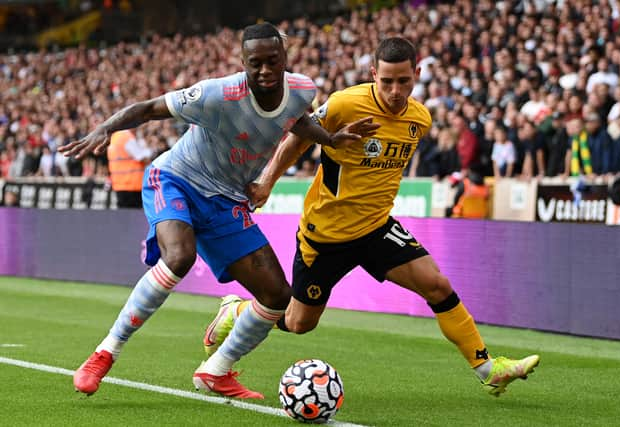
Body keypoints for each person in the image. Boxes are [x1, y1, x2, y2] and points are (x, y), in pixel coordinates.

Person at [204, 37, 539, 398]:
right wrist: (267, 182)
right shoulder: (345, 104)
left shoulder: (419, 118)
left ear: (418, 75)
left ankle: (489, 369)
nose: (396, 91)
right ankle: (238, 311)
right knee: (299, 323)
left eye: (404, 82)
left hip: (377, 229)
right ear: (373, 74)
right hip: (326, 236)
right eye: (387, 82)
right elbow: (297, 140)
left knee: (437, 285)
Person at [59, 22, 378, 399]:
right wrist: (105, 128)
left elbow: (296, 120)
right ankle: (105, 352)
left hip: (227, 200)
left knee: (277, 296)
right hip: (176, 179)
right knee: (179, 256)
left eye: (271, 61)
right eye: (254, 63)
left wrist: (329, 138)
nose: (263, 71)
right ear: (241, 62)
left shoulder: (302, 89)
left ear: (285, 58)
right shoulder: (217, 94)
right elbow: (148, 108)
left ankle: (216, 370)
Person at [107, 129, 153, 208]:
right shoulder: (127, 137)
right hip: (133, 186)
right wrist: (150, 151)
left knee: (123, 216)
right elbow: (141, 157)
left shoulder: (114, 137)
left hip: (119, 185)